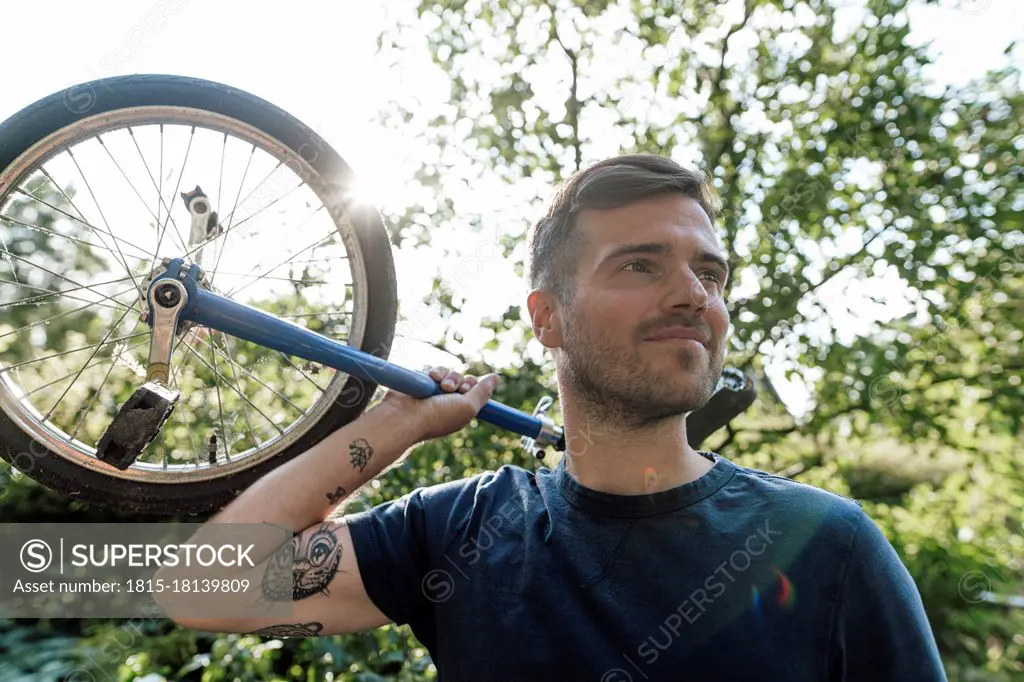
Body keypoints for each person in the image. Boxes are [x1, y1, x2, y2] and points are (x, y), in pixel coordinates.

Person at [161, 154, 947, 681]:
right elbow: (203, 590)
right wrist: (398, 425)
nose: (694, 295)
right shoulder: (462, 533)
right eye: (641, 264)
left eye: (708, 272)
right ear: (548, 319)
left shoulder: (828, 544)